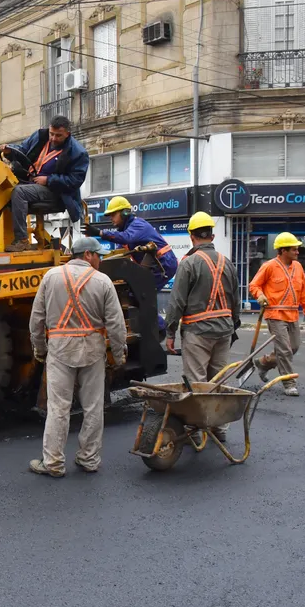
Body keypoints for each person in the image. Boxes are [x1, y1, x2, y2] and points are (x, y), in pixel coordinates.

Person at [28, 237, 128, 477]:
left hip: (60, 350)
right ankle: (89, 459)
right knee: (93, 407)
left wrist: (40, 349)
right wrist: (118, 354)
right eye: (99, 256)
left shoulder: (51, 277)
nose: (100, 260)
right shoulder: (103, 282)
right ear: (87, 255)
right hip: (92, 349)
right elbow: (116, 323)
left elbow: (36, 320)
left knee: (58, 408)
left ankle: (53, 463)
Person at [164, 212, 241, 441]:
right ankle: (220, 429)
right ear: (212, 235)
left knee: (196, 382)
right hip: (224, 331)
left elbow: (176, 301)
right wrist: (232, 326)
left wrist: (170, 332)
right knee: (218, 380)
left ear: (191, 236)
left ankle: (196, 432)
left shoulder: (189, 263)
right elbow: (235, 301)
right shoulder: (227, 263)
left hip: (198, 333)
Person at [84, 195, 179, 338]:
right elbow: (118, 252)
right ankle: (154, 326)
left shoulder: (138, 225)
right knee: (135, 294)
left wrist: (100, 233)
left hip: (164, 264)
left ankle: (160, 327)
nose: (111, 219)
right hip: (155, 265)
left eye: (113, 215)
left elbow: (126, 237)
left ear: (124, 213)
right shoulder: (127, 230)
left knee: (141, 294)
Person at [1, 116, 90, 253]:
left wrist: (48, 180)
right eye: (51, 134)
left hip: (57, 194)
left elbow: (74, 181)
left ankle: (22, 240)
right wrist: (10, 151)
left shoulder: (78, 153)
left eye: (58, 135)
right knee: (2, 190)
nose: (53, 138)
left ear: (67, 133)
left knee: (19, 192)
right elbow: (22, 150)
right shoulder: (40, 137)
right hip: (30, 184)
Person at [249, 232, 305, 397]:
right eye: (294, 249)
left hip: (292, 314)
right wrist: (260, 296)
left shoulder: (298, 267)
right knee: (284, 350)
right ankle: (289, 382)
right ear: (283, 251)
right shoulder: (269, 266)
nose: (298, 252)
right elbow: (254, 285)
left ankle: (264, 363)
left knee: (293, 347)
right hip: (275, 314)